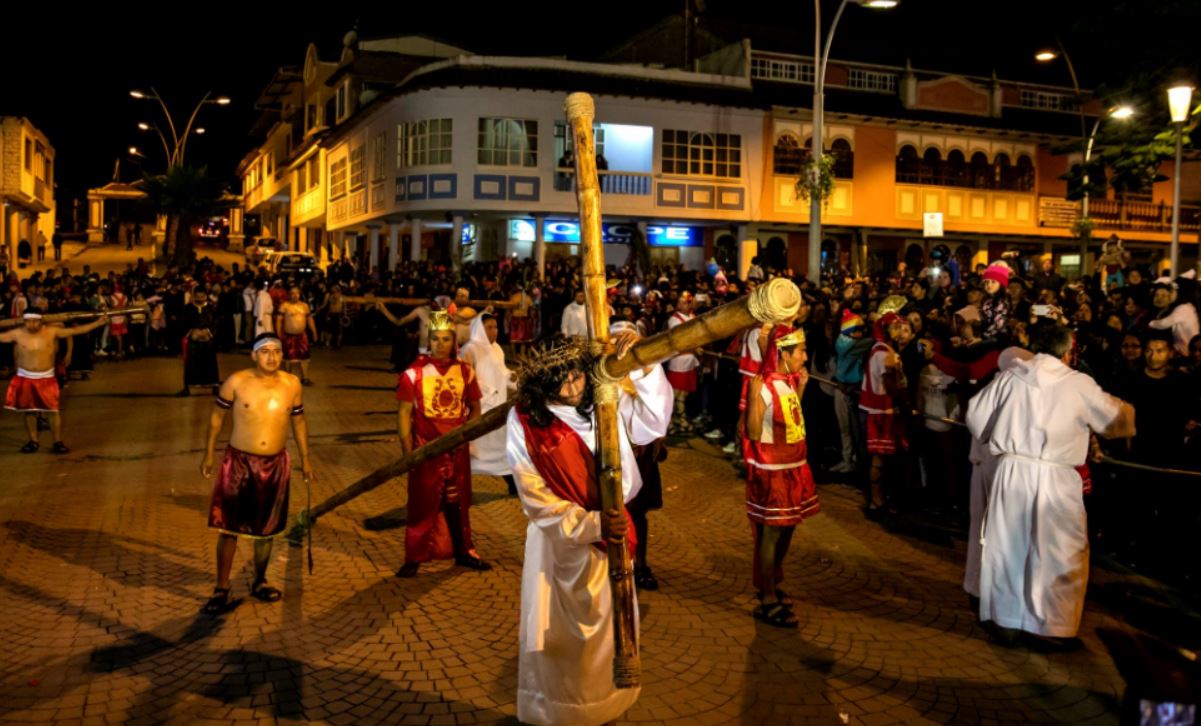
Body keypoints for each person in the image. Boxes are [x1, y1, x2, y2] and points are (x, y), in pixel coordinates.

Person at [506, 332, 672, 726]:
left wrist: (644, 363)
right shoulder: (525, 420)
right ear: (541, 382)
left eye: (577, 374)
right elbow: (534, 496)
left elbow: (653, 422)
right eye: (560, 378)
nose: (571, 385)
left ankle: (607, 713)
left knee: (608, 638)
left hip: (612, 543)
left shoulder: (604, 400)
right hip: (557, 549)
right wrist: (594, 523)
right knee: (560, 644)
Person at [966, 320, 1134, 646]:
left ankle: (1007, 619)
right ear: (1068, 349)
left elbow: (975, 416)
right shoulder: (1078, 383)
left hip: (1012, 474)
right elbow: (1114, 418)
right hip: (1056, 477)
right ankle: (1052, 628)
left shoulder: (1010, 379)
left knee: (1010, 548)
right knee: (1060, 552)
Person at [200, 333, 312, 614]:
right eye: (264, 351)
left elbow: (298, 422)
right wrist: (208, 453)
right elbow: (216, 417)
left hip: (275, 465)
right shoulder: (237, 382)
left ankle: (260, 580)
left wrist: (306, 459)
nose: (271, 356)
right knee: (228, 528)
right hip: (238, 463)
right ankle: (221, 586)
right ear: (253, 355)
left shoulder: (292, 384)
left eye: (276, 351)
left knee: (267, 530)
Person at [395, 311, 490, 577]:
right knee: (421, 504)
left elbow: (475, 408)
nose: (439, 344)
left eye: (445, 339)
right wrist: (408, 453)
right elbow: (403, 413)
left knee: (458, 503)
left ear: (453, 342)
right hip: (425, 451)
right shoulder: (413, 373)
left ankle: (464, 550)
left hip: (456, 452)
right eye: (434, 338)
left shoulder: (465, 372)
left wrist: (466, 437)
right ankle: (414, 555)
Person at [744, 326, 820, 627]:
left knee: (788, 528)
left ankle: (771, 580)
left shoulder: (786, 382)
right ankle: (767, 596)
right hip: (772, 471)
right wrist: (753, 398)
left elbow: (791, 419)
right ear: (784, 354)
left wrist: (800, 389)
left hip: (794, 467)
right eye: (800, 351)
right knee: (772, 532)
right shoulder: (761, 384)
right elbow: (752, 431)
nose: (804, 356)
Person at [1, 310, 112, 453]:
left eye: (35, 321)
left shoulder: (52, 332)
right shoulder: (16, 333)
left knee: (53, 411)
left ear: (41, 321)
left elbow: (76, 330)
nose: (31, 324)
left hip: (46, 377)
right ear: (24, 321)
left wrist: (97, 323)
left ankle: (57, 442)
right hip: (25, 377)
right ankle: (33, 441)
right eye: (28, 321)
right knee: (29, 412)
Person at [858, 311, 913, 513]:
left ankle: (877, 497)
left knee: (881, 457)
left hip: (877, 408)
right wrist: (903, 399)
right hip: (879, 410)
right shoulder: (884, 353)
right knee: (879, 458)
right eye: (895, 327)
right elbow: (890, 383)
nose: (899, 332)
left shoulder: (880, 349)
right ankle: (876, 499)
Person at [459, 311, 515, 493]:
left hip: (498, 406)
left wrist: (512, 378)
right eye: (489, 327)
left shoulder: (497, 348)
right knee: (473, 452)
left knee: (502, 448)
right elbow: (467, 377)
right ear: (480, 329)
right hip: (480, 407)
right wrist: (490, 391)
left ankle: (512, 482)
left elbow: (502, 371)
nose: (494, 331)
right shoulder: (470, 349)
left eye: (496, 327)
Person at [665, 291, 700, 433]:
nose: (682, 305)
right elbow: (678, 340)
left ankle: (679, 419)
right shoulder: (674, 320)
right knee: (675, 393)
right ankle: (674, 421)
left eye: (684, 302)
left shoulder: (693, 317)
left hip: (690, 361)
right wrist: (694, 346)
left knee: (684, 393)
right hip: (679, 361)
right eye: (679, 302)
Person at [180, 288, 220, 396]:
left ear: (205, 296)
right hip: (193, 338)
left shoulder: (211, 308)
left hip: (208, 338)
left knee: (210, 362)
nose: (200, 299)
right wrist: (193, 332)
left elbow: (216, 322)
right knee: (191, 362)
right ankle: (187, 387)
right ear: (194, 296)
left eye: (202, 296)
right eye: (197, 296)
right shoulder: (188, 308)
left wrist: (208, 332)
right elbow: (183, 322)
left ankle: (214, 385)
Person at [275, 286, 317, 385]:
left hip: (302, 336)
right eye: (292, 293)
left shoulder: (304, 306)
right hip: (288, 336)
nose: (295, 295)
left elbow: (310, 320)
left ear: (300, 294)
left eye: (297, 293)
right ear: (289, 295)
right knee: (288, 358)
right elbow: (278, 321)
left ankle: (305, 378)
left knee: (305, 358)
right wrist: (278, 335)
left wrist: (314, 332)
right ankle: (288, 378)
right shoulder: (284, 306)